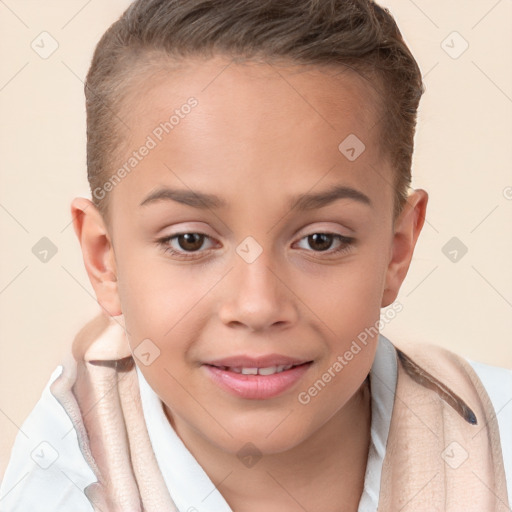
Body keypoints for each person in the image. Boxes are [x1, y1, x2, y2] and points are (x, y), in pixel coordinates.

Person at [0, 0, 510, 510]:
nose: (257, 305)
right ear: (104, 257)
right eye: (190, 241)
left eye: (321, 240)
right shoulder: (57, 484)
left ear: (397, 251)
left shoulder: (495, 445)